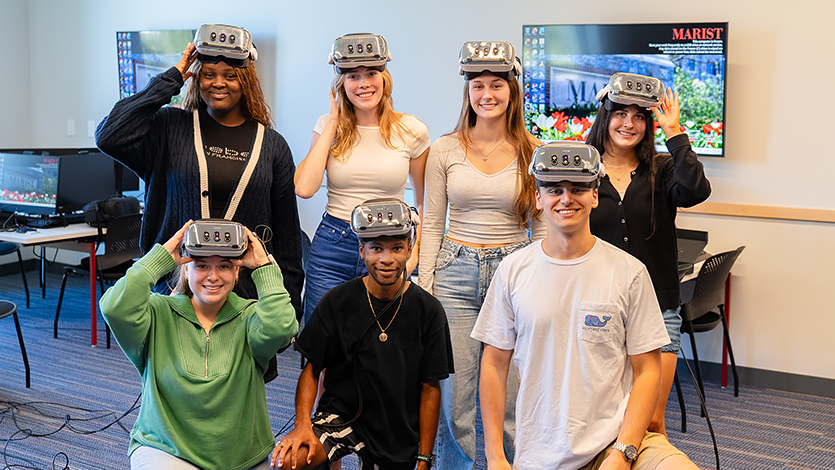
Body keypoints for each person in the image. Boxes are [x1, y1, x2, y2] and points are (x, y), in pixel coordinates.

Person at [474, 143, 701, 470]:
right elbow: (494, 365)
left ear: (595, 196)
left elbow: (648, 370)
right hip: (541, 453)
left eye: (578, 188)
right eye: (554, 189)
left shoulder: (629, 272)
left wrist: (623, 453)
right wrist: (495, 456)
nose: (566, 199)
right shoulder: (513, 271)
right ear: (539, 198)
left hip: (616, 440)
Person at [96, 24, 304, 321]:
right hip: (175, 294)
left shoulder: (272, 146)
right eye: (208, 74)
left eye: (230, 76)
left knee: (243, 368)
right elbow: (109, 135)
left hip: (246, 300)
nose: (218, 83)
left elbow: (286, 240)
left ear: (246, 80)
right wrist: (171, 79)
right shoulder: (169, 127)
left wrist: (289, 310)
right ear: (197, 78)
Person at [417, 41, 543, 469]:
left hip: (515, 271)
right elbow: (432, 221)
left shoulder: (532, 151)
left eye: (496, 85)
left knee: (509, 393)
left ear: (513, 91)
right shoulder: (445, 148)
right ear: (467, 92)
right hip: (454, 273)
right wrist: (425, 284)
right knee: (457, 393)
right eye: (477, 85)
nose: (486, 94)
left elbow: (540, 228)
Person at [100, 220, 298, 469]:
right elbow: (114, 307)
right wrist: (160, 258)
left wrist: (263, 266)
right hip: (167, 449)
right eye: (201, 265)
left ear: (237, 272)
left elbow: (282, 327)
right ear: (185, 269)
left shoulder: (251, 317)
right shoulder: (158, 313)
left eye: (224, 266)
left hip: (242, 457)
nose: (213, 276)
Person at [271, 200, 453, 470]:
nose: (386, 259)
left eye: (397, 248)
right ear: (361, 250)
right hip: (340, 416)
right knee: (289, 461)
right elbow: (311, 370)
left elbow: (430, 389)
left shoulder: (428, 310)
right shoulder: (338, 300)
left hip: (395, 430)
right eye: (376, 248)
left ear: (409, 250)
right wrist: (302, 425)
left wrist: (425, 459)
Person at [585, 73, 711, 438]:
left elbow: (695, 190)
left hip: (658, 307)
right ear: (605, 116)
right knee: (600, 417)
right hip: (598, 309)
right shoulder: (584, 171)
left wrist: (675, 132)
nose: (629, 123)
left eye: (640, 116)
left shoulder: (663, 168)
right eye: (620, 113)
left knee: (652, 419)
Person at [295, 33, 430, 325]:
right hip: (334, 244)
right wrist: (333, 120)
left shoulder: (411, 129)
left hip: (388, 244)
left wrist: (415, 249)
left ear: (385, 78)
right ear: (341, 84)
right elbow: (304, 187)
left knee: (380, 346)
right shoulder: (327, 126)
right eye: (353, 76)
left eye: (371, 73)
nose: (364, 83)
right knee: (321, 345)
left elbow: (424, 200)